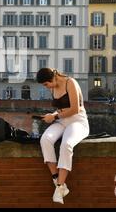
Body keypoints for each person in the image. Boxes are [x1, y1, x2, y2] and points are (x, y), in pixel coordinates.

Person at [36, 68, 89, 204]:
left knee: (66, 144)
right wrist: (52, 116)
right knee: (45, 140)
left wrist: (54, 116)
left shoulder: (70, 83)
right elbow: (61, 109)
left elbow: (74, 109)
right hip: (61, 121)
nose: (46, 88)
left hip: (77, 120)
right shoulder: (53, 87)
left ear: (52, 79)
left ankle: (59, 187)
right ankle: (56, 179)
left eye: (46, 84)